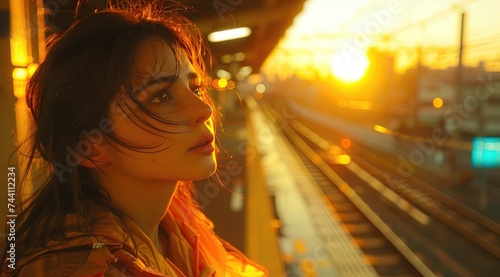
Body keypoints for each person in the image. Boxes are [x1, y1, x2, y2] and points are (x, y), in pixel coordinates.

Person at [1, 1, 267, 276]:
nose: (205, 109)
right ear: (90, 147)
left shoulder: (175, 224)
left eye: (195, 88)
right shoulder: (80, 268)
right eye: (161, 96)